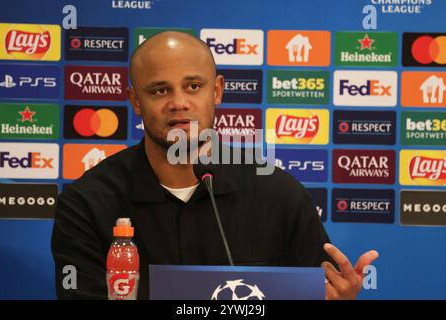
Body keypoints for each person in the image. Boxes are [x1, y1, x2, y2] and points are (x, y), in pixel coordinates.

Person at [51, 31, 378, 300]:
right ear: (136, 100)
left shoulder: (280, 194)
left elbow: (313, 293)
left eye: (193, 86)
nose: (179, 102)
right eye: (160, 90)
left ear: (217, 91)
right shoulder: (86, 203)